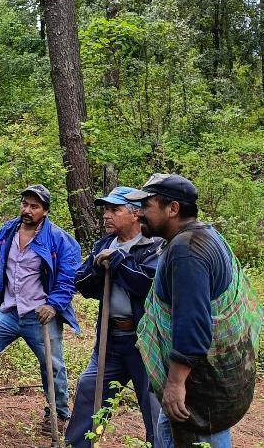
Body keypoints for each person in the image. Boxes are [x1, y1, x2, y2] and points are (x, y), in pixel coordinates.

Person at [126, 174, 257, 448]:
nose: (138, 214)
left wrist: (175, 383)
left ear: (172, 209)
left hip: (198, 387)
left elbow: (192, 321)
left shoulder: (188, 251)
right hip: (208, 386)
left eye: (146, 206)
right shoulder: (204, 235)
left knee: (200, 437)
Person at [0, 184, 81, 440]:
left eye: (34, 206)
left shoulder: (59, 240)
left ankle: (57, 414)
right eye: (25, 204)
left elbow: (69, 278)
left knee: (52, 364)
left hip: (40, 314)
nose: (27, 210)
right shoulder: (7, 231)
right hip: (11, 309)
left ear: (45, 211)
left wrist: (54, 304)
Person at [64, 187, 162, 448]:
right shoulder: (104, 244)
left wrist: (120, 261)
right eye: (105, 210)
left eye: (114, 209)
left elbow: (147, 286)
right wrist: (98, 267)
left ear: (135, 214)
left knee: (153, 405)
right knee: (89, 390)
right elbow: (82, 284)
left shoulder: (154, 245)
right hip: (111, 340)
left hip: (145, 342)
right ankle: (79, 445)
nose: (106, 216)